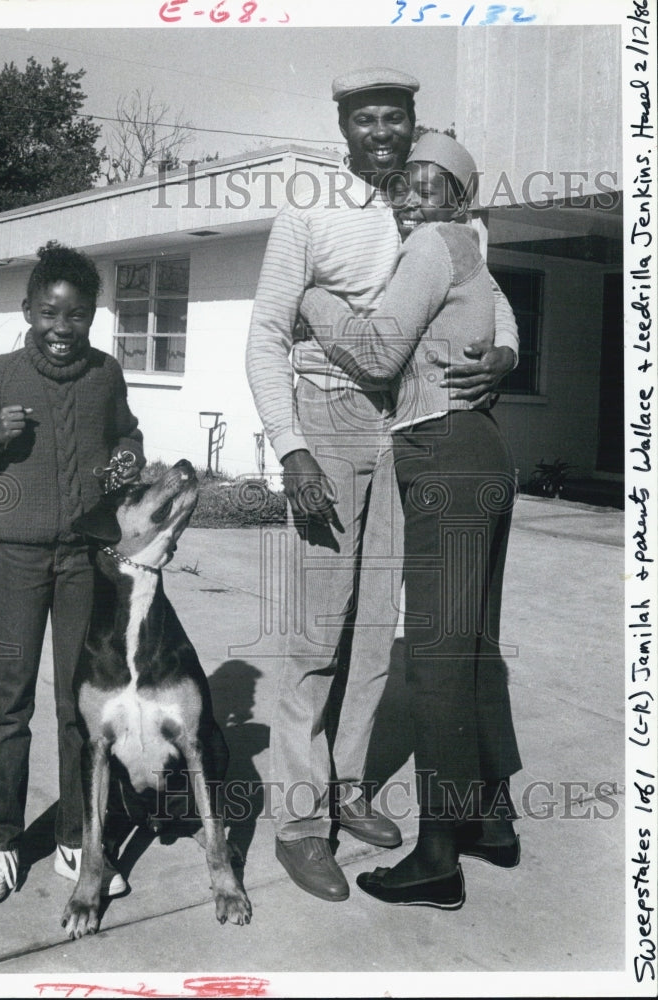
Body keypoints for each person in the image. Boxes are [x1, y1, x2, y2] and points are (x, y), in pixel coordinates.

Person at [245, 68, 520, 902]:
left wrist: (504, 357)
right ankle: (301, 825)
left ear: (411, 124)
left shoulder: (441, 216)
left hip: (403, 426)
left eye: (393, 118)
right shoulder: (308, 211)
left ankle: (349, 787)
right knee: (317, 634)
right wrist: (290, 446)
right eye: (364, 118)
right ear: (343, 127)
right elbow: (264, 333)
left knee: (375, 634)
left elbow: (495, 303)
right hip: (327, 421)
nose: (380, 133)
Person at [0, 242, 146, 904]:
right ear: (28, 309)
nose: (62, 328)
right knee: (7, 704)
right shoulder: (2, 374)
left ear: (92, 315)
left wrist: (118, 470)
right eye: (49, 313)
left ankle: (75, 841)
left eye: (76, 315)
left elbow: (127, 438)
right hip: (21, 559)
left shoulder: (105, 373)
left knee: (77, 707)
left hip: (84, 562)